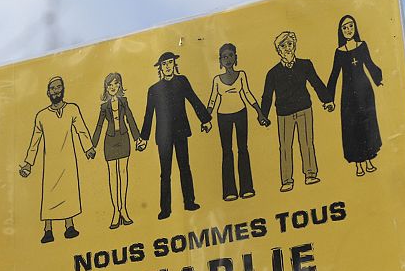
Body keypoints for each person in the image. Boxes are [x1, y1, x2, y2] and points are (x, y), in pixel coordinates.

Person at [19, 77, 96, 243]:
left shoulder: (72, 110)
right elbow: (35, 141)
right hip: (51, 163)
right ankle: (48, 230)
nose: (56, 91)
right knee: (49, 195)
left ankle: (70, 226)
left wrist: (88, 148)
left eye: (59, 87)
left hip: (68, 160)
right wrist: (28, 164)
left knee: (69, 191)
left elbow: (81, 130)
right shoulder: (42, 116)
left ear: (63, 89)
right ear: (48, 92)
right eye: (53, 88)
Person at [137, 52, 212, 220]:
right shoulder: (154, 90)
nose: (168, 66)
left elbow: (194, 100)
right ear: (160, 68)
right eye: (164, 64)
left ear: (174, 64)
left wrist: (205, 119)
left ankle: (189, 201)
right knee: (165, 172)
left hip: (180, 131)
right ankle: (165, 209)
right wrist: (143, 138)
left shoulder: (182, 81)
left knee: (185, 167)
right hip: (163, 136)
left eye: (170, 63)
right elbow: (148, 115)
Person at [261, 32, 333, 192]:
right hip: (284, 114)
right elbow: (267, 95)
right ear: (278, 50)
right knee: (285, 147)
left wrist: (327, 100)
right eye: (283, 45)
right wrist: (263, 115)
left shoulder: (305, 64)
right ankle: (287, 180)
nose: (287, 48)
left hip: (304, 109)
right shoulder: (272, 73)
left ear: (295, 45)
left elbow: (316, 82)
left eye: (290, 44)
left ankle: (310, 174)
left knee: (307, 143)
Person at [206, 43, 270, 201]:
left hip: (241, 113)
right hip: (223, 116)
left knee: (243, 149)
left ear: (236, 58)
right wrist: (206, 119)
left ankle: (247, 188)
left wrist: (260, 113)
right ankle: (229, 191)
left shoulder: (241, 75)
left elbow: (248, 94)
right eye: (224, 57)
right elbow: (212, 100)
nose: (227, 59)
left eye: (230, 55)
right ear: (220, 61)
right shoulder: (216, 80)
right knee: (227, 152)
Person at [326, 15, 383, 176]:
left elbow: (370, 64)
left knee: (366, 125)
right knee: (352, 128)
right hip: (348, 95)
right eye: (344, 27)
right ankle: (358, 164)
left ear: (355, 27)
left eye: (350, 26)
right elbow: (334, 75)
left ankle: (370, 159)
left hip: (365, 93)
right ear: (341, 31)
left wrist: (379, 79)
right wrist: (328, 99)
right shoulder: (339, 52)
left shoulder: (362, 46)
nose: (348, 30)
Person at [91, 72, 141, 229]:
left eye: (115, 84)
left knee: (124, 174)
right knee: (113, 176)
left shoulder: (124, 102)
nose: (113, 87)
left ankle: (124, 210)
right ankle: (115, 211)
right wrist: (92, 145)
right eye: (109, 85)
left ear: (120, 85)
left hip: (124, 138)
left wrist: (137, 138)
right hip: (110, 141)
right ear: (106, 88)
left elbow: (130, 118)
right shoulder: (104, 106)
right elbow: (99, 126)